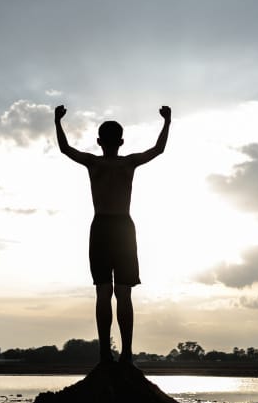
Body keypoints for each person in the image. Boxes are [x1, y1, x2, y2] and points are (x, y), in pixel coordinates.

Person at [55, 104, 171, 364]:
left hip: (105, 227)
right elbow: (158, 149)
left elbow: (65, 149)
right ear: (121, 141)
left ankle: (110, 355)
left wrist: (58, 121)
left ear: (99, 141)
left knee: (105, 292)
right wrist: (167, 121)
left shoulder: (94, 163)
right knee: (120, 293)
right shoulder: (127, 162)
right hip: (120, 227)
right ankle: (123, 354)